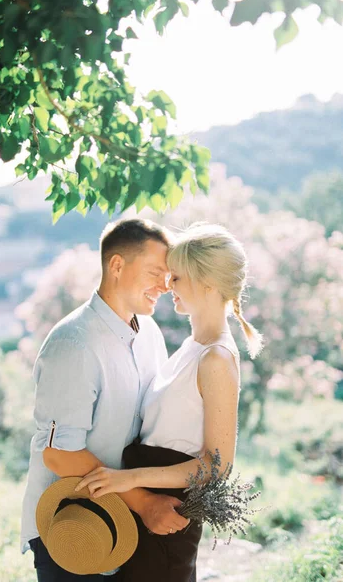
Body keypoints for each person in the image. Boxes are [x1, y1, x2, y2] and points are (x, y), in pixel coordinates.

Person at [76, 222, 264, 582]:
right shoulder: (190, 347)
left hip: (169, 510)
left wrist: (128, 480)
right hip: (145, 504)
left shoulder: (217, 360)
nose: (166, 286)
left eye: (176, 278)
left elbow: (216, 467)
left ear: (207, 284)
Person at [20, 218, 190, 582]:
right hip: (70, 525)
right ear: (116, 265)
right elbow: (60, 453)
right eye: (155, 272)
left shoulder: (150, 334)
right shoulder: (74, 343)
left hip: (121, 525)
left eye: (168, 275)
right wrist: (144, 502)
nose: (165, 285)